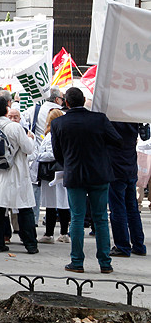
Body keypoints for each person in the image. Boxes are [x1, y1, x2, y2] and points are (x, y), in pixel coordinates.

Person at [51, 87, 123, 273]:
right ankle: (105, 263)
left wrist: (69, 163)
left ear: (66, 102)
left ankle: (77, 261)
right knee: (100, 218)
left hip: (74, 174)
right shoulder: (99, 119)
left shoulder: (59, 123)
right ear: (83, 100)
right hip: (99, 174)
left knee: (77, 218)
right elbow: (117, 141)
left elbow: (57, 153)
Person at [0, 94, 38, 254]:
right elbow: (29, 149)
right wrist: (30, 138)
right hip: (17, 173)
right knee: (24, 208)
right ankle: (30, 244)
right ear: (7, 108)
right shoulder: (15, 127)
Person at [108, 120, 146, 257]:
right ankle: (139, 244)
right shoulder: (133, 119)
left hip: (116, 168)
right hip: (130, 166)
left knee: (117, 208)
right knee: (132, 208)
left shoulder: (112, 120)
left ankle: (122, 246)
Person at [37, 109, 70, 244]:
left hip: (51, 172)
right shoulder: (65, 134)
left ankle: (49, 233)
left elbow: (50, 154)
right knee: (63, 202)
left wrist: (40, 155)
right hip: (63, 170)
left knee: (51, 203)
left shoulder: (51, 135)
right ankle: (63, 232)